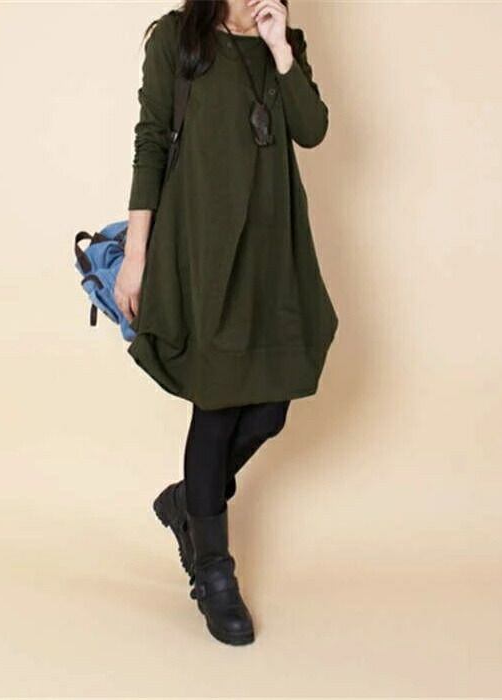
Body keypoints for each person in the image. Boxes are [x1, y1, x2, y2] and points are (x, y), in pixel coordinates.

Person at [115, 0, 338, 646]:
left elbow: (312, 130)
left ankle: (191, 500)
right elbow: (151, 140)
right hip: (203, 249)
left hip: (272, 248)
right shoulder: (178, 38)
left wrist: (280, 49)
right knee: (217, 406)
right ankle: (214, 570)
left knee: (269, 408)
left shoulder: (282, 40)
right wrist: (136, 257)